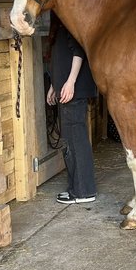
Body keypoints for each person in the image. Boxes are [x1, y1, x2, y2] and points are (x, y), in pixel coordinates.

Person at [46, 13, 98, 204]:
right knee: (71, 140)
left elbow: (78, 51)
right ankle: (77, 188)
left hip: (73, 90)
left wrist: (70, 82)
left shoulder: (70, 20)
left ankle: (84, 191)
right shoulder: (60, 23)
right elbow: (61, 58)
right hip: (66, 88)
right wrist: (55, 85)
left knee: (76, 140)